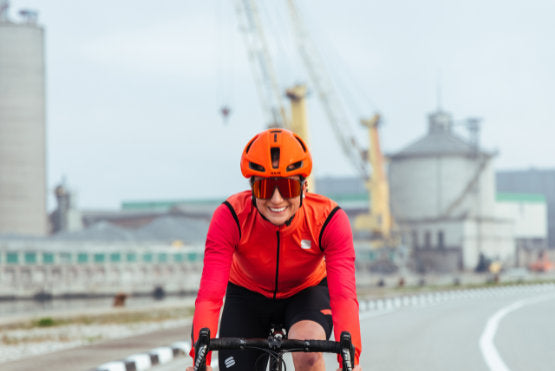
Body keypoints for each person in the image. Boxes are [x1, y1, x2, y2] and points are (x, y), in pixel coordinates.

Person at [187, 128, 362, 371]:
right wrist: (200, 359)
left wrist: (351, 360)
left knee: (307, 355)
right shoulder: (230, 217)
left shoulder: (329, 220)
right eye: (265, 188)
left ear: (303, 187)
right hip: (247, 296)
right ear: (252, 189)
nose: (277, 199)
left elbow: (343, 297)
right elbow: (209, 296)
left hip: (306, 293)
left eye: (287, 187)